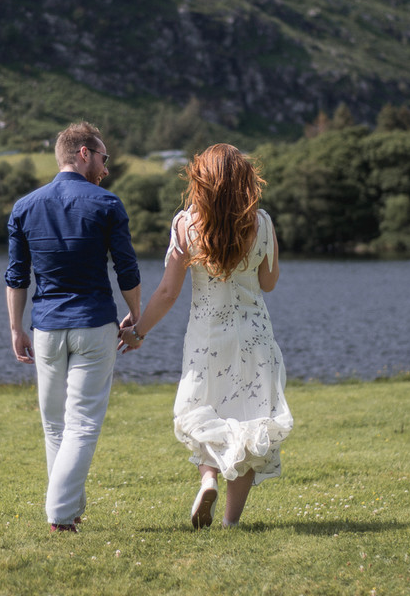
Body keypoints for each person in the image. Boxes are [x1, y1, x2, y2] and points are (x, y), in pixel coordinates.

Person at [119, 143, 291, 529]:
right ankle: (231, 522)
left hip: (207, 336)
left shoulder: (186, 225)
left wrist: (138, 331)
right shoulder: (262, 223)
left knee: (203, 409)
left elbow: (167, 292)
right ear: (245, 180)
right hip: (254, 336)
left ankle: (208, 478)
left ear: (202, 181)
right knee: (251, 420)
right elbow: (269, 282)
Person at [5, 121, 141, 533]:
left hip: (46, 327)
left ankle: (69, 511)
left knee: (55, 425)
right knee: (81, 423)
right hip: (94, 324)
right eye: (103, 156)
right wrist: (135, 316)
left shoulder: (25, 206)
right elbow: (127, 267)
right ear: (83, 153)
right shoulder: (107, 204)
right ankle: (61, 515)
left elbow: (16, 275)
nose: (106, 165)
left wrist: (15, 329)